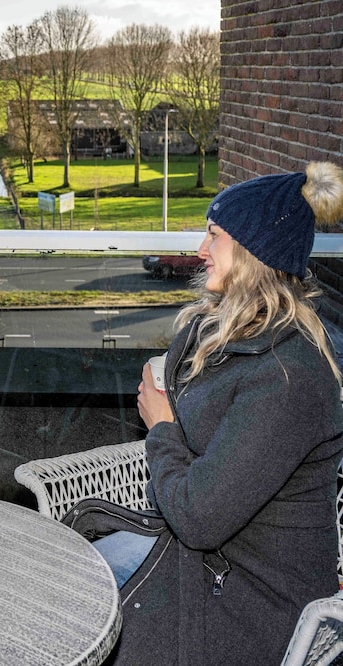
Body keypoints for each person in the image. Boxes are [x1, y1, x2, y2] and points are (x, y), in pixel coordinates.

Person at [100, 161, 343, 664]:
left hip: (249, 603)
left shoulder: (289, 377)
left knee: (80, 606)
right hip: (201, 562)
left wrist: (161, 425)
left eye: (213, 236)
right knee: (73, 571)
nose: (199, 251)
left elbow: (198, 518)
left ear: (253, 252)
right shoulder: (229, 334)